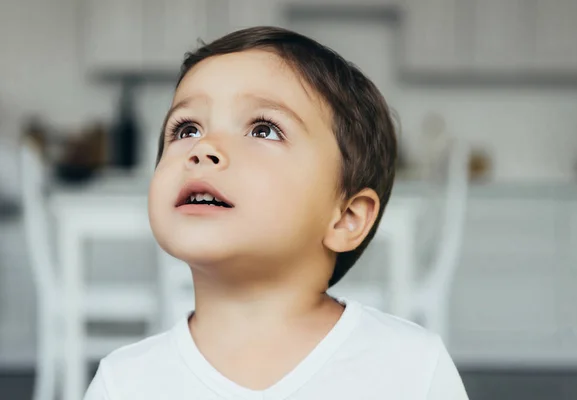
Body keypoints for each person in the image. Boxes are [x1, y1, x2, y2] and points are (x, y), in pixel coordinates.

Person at [84, 26, 469, 399]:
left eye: (263, 129)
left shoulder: (412, 369)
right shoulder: (123, 383)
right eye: (186, 130)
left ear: (346, 217)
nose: (203, 149)